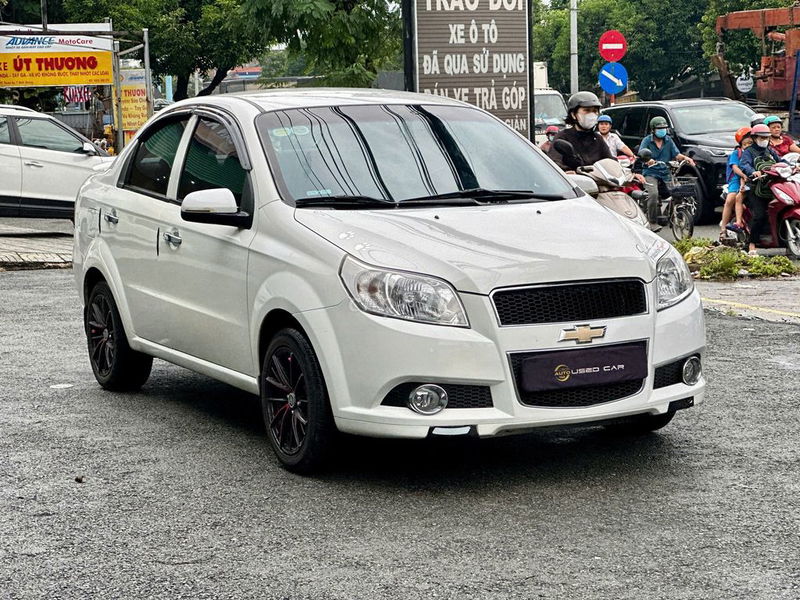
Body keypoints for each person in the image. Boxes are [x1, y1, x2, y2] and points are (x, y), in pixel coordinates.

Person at [639, 116, 696, 231]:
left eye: (664, 128)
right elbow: (641, 154)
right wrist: (648, 160)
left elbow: (676, 154)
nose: (662, 131)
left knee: (679, 192)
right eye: (659, 129)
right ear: (653, 130)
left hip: (666, 172)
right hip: (651, 172)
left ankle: (675, 215)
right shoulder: (647, 141)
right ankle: (652, 221)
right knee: (653, 194)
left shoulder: (668, 140)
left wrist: (686, 158)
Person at [739, 123, 781, 255]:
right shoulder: (749, 152)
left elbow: (780, 162)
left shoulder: (770, 151)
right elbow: (744, 165)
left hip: (771, 187)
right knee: (760, 215)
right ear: (755, 138)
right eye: (762, 137)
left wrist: (792, 166)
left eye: (766, 137)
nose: (765, 140)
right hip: (754, 188)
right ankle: (752, 245)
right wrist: (753, 172)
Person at [547, 91, 612, 171]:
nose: (592, 114)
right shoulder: (562, 137)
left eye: (595, 111)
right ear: (573, 114)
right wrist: (568, 172)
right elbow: (555, 163)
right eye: (587, 110)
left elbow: (610, 161)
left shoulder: (598, 138)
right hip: (573, 178)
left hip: (597, 178)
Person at [720, 126, 751, 239]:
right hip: (736, 180)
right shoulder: (736, 153)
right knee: (730, 200)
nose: (748, 146)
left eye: (750, 143)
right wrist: (743, 175)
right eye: (745, 144)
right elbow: (735, 168)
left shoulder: (756, 153)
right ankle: (723, 228)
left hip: (751, 179)